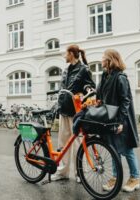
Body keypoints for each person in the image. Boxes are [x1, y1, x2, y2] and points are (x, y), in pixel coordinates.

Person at [97, 49, 140, 192]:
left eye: (103, 57)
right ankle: (115, 178)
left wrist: (121, 122)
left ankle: (135, 178)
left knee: (127, 150)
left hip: (122, 119)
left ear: (110, 60)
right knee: (113, 149)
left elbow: (125, 101)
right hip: (110, 117)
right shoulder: (105, 75)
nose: (101, 59)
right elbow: (101, 95)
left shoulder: (120, 77)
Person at [51, 44, 95, 182]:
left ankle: (79, 173)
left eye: (66, 53)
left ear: (71, 54)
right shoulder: (65, 70)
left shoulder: (83, 69)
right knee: (63, 143)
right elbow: (62, 90)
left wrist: (86, 90)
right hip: (63, 110)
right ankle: (62, 172)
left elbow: (90, 86)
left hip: (76, 112)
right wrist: (58, 106)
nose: (64, 56)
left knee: (77, 144)